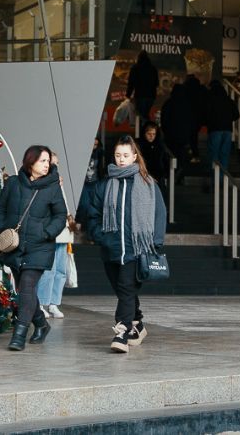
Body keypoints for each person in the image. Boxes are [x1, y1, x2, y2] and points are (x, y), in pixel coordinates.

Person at [78, 135, 167, 353]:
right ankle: (138, 323)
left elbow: (159, 214)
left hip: (137, 249)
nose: (121, 159)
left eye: (126, 155)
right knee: (122, 290)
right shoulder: (105, 184)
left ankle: (122, 332)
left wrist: (155, 243)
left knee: (126, 289)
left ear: (135, 156)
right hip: (112, 249)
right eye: (118, 155)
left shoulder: (148, 184)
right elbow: (93, 215)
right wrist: (102, 237)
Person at [0, 145, 68, 351]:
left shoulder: (52, 187)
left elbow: (60, 215)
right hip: (15, 244)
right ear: (31, 161)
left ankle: (19, 333)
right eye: (43, 161)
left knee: (27, 286)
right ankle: (42, 325)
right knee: (25, 291)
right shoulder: (13, 183)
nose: (47, 165)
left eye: (48, 161)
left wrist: (47, 233)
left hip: (39, 246)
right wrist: (3, 228)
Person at [36, 152, 76, 319]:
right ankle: (42, 302)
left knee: (60, 269)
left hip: (64, 231)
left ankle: (54, 303)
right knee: (48, 269)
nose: (53, 167)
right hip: (51, 231)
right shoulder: (42, 184)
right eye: (52, 163)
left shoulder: (58, 183)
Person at [206, 81, 238, 174]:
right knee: (224, 154)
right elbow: (236, 115)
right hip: (227, 130)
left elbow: (206, 114)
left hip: (215, 129)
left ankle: (214, 175)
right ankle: (223, 175)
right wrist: (228, 119)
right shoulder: (229, 101)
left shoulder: (211, 100)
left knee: (214, 154)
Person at [126, 50, 159, 126]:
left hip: (140, 95)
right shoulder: (153, 68)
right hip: (151, 96)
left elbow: (131, 83)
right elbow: (156, 83)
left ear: (139, 58)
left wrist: (128, 95)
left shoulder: (135, 68)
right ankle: (146, 131)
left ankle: (142, 133)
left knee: (140, 115)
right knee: (145, 114)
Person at [136, 121, 168, 190]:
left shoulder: (160, 146)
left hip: (158, 177)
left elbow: (163, 162)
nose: (151, 136)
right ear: (144, 134)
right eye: (149, 134)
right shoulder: (139, 145)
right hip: (143, 176)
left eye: (154, 134)